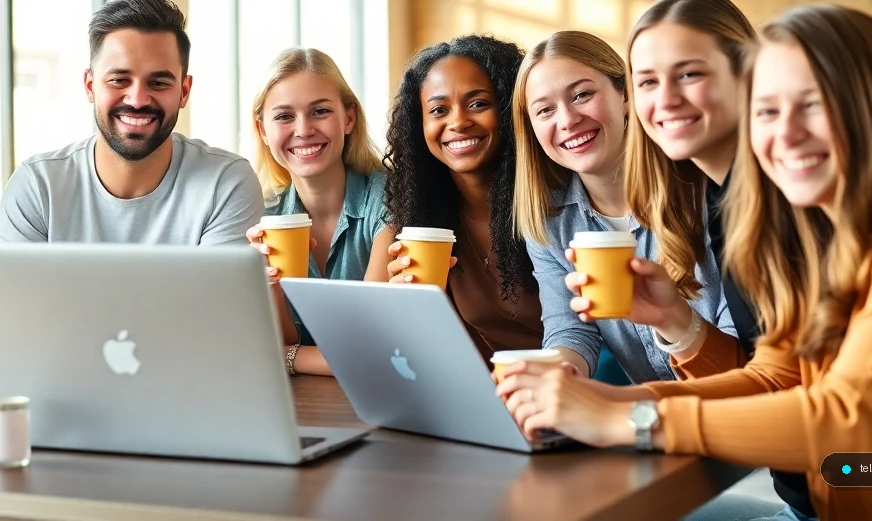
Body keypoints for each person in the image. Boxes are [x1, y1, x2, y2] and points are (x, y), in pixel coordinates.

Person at [498, 4, 872, 521]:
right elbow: (776, 374)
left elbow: (847, 416)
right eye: (767, 111)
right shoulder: (830, 227)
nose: (785, 134)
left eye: (811, 105)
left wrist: (631, 420)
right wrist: (604, 400)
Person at [0, 0, 263, 402]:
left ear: (184, 91)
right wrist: (11, 364)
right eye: (119, 79)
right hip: (60, 407)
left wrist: (42, 364)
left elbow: (217, 332)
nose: (137, 98)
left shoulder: (226, 182)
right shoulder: (38, 183)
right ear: (90, 85)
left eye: (159, 82)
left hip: (183, 401)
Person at [511, 31, 736, 383]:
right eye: (545, 110)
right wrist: (555, 378)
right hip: (645, 422)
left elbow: (742, 359)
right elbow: (571, 330)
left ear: (625, 95)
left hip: (733, 411)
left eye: (583, 95)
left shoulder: (706, 193)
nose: (567, 120)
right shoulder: (549, 222)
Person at [365, 35, 542, 357]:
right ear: (418, 125)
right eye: (439, 110)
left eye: (478, 104)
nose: (458, 122)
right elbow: (365, 347)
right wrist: (395, 314)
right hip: (479, 397)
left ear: (510, 110)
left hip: (581, 390)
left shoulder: (558, 211)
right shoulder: (407, 234)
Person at [245, 48, 386, 377]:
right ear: (263, 130)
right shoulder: (262, 214)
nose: (303, 129)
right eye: (283, 116)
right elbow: (272, 343)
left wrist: (287, 358)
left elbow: (372, 351)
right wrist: (268, 288)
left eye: (320, 111)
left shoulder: (387, 197)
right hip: (300, 404)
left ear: (348, 118)